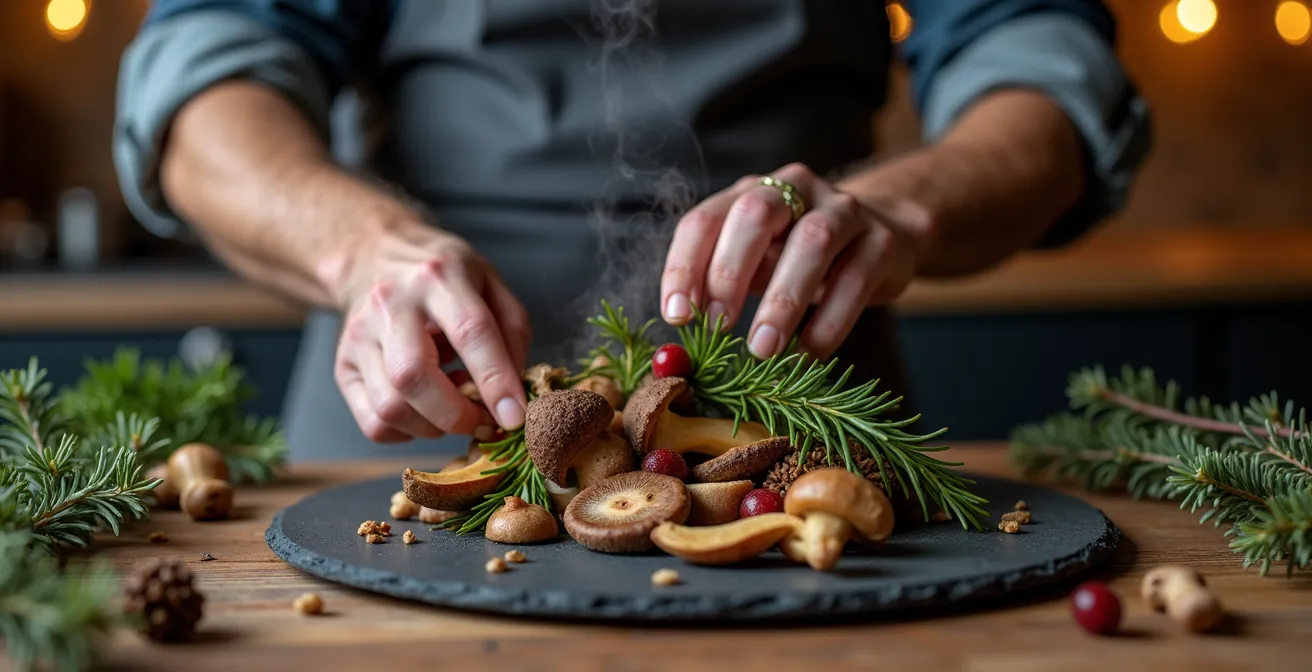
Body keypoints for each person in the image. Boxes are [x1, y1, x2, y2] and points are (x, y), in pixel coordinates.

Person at [112, 0, 1151, 462]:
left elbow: (1041, 60)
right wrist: (358, 246)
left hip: (805, 434)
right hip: (409, 441)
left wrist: (903, 203)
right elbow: (209, 69)